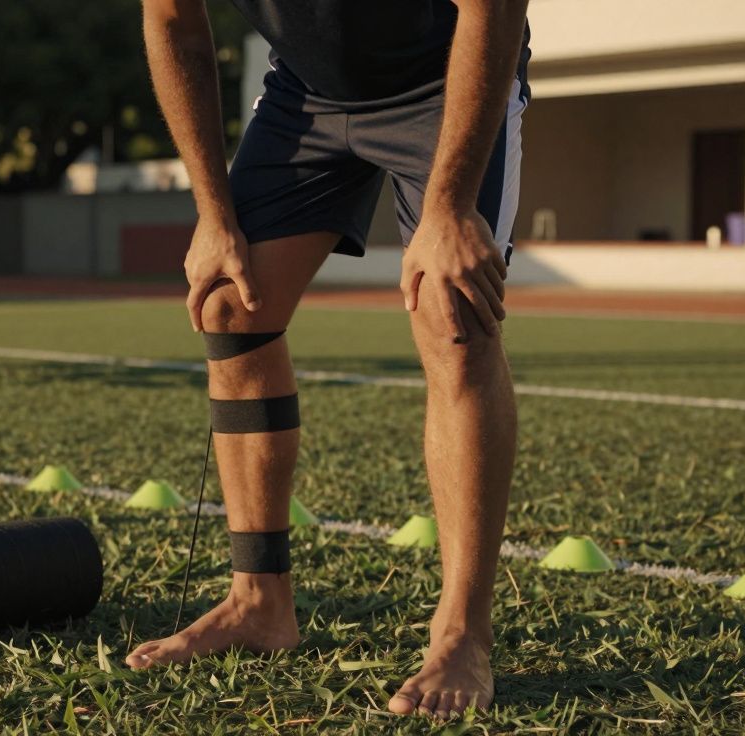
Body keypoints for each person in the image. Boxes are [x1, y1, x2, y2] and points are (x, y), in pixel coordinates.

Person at [125, 0, 531, 720]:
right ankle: (258, 604)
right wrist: (214, 216)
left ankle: (462, 633)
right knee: (230, 302)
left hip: (447, 80)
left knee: (453, 309)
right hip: (307, 96)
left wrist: (450, 208)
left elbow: (493, 7)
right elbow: (173, 23)